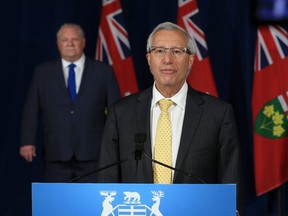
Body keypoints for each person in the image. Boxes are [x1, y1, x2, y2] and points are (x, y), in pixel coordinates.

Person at [98, 21, 242, 212]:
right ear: (149, 59)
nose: (167, 59)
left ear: (190, 60)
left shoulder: (218, 114)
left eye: (176, 51)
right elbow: (107, 180)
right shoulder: (121, 112)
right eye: (159, 51)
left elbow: (231, 184)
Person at [20, 23, 121, 182]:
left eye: (74, 39)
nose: (70, 43)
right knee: (58, 203)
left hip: (93, 152)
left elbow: (117, 111)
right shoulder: (42, 73)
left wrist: (117, 142)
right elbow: (31, 109)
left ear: (83, 42)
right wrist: (27, 141)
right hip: (56, 151)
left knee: (91, 203)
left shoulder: (103, 72)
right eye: (65, 39)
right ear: (58, 43)